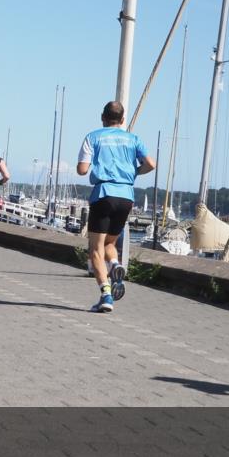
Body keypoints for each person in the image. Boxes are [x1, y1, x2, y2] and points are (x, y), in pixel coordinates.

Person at [76, 101, 155, 313]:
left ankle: (106, 294)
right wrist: (132, 172)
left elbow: (82, 170)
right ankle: (115, 265)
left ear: (103, 117)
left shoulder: (93, 137)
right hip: (126, 195)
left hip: (103, 194)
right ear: (122, 119)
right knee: (110, 242)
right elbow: (151, 164)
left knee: (95, 248)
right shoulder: (134, 139)